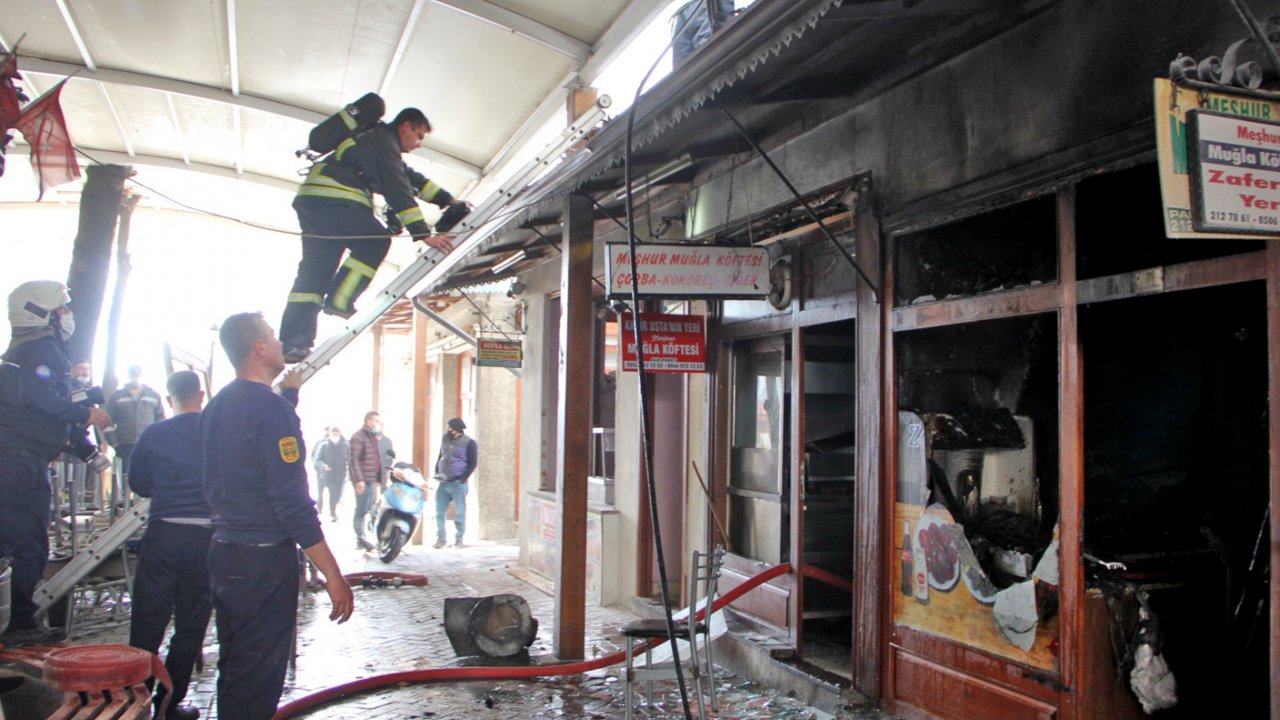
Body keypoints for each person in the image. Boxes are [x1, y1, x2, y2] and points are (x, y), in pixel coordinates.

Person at [200, 312, 353, 720]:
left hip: (225, 553)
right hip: (262, 564)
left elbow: (249, 449)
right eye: (271, 335)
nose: (281, 340)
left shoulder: (217, 406)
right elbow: (291, 503)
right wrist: (333, 575)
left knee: (236, 667)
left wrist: (289, 395)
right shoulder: (270, 412)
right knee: (258, 678)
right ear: (260, 347)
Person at [279, 106, 469, 363]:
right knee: (375, 240)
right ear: (406, 127)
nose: (420, 144)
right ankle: (340, 299)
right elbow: (397, 187)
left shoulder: (373, 141)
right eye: (420, 136)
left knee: (315, 273)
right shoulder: (382, 142)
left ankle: (293, 343)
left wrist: (449, 200)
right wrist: (423, 234)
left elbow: (410, 179)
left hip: (314, 201)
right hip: (335, 200)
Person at [0, 281, 110, 646]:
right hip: (20, 464)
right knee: (29, 544)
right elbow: (40, 398)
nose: (67, 315)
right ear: (40, 311)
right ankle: (20, 624)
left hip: (13, 460)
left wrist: (86, 450)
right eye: (62, 308)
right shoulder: (40, 350)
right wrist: (86, 414)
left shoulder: (22, 350)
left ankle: (12, 619)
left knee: (9, 542)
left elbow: (45, 410)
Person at [127, 371, 210, 720]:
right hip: (206, 539)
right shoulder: (216, 431)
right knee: (191, 626)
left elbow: (140, 484)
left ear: (168, 397)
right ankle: (168, 705)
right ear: (202, 394)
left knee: (147, 623)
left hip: (163, 536)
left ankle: (137, 703)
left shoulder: (154, 433)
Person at [106, 364, 166, 476]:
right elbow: (107, 422)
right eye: (134, 374)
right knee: (124, 477)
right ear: (129, 375)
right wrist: (114, 443)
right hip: (124, 445)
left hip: (148, 444)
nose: (136, 376)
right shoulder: (117, 396)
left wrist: (157, 442)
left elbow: (161, 421)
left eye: (138, 374)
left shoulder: (154, 395)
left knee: (147, 476)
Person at [433, 417, 477, 549]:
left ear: (457, 429)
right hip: (444, 481)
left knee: (460, 512)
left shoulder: (470, 443)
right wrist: (437, 469)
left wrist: (463, 478)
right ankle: (441, 539)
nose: (448, 430)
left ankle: (459, 539)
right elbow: (441, 455)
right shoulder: (445, 438)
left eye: (450, 428)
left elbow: (472, 463)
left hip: (458, 482)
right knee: (439, 512)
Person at [348, 411, 384, 551]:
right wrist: (359, 480)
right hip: (363, 479)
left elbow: (375, 458)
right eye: (376, 421)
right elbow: (353, 460)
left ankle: (364, 538)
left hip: (371, 479)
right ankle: (360, 539)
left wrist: (378, 478)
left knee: (368, 508)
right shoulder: (358, 437)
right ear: (369, 421)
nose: (378, 424)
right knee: (361, 510)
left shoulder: (372, 437)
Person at [312, 425, 348, 522]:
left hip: (341, 475)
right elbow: (317, 459)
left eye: (337, 434)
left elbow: (350, 459)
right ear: (330, 434)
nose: (335, 436)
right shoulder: (324, 445)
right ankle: (332, 512)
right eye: (333, 434)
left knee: (337, 495)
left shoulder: (346, 445)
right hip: (328, 475)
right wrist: (324, 466)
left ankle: (333, 508)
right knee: (331, 493)